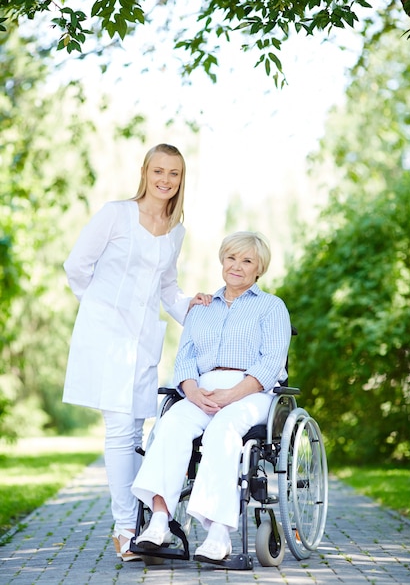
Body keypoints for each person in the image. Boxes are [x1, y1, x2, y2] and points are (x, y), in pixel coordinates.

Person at [62, 143, 211, 561]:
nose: (165, 180)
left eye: (174, 174)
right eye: (158, 171)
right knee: (119, 429)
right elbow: (77, 266)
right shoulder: (116, 214)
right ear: (145, 172)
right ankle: (125, 528)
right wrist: (99, 310)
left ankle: (136, 525)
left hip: (145, 340)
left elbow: (166, 289)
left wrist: (192, 309)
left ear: (182, 180)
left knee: (137, 433)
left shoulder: (175, 229)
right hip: (106, 338)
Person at [131, 231, 292, 563]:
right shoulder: (201, 307)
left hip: (251, 391)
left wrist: (233, 394)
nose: (237, 266)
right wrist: (191, 390)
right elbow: (185, 359)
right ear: (222, 260)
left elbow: (270, 362)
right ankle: (160, 521)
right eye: (231, 258)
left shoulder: (271, 307)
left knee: (224, 428)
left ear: (259, 268)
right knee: (171, 422)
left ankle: (219, 533)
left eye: (247, 261)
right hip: (202, 389)